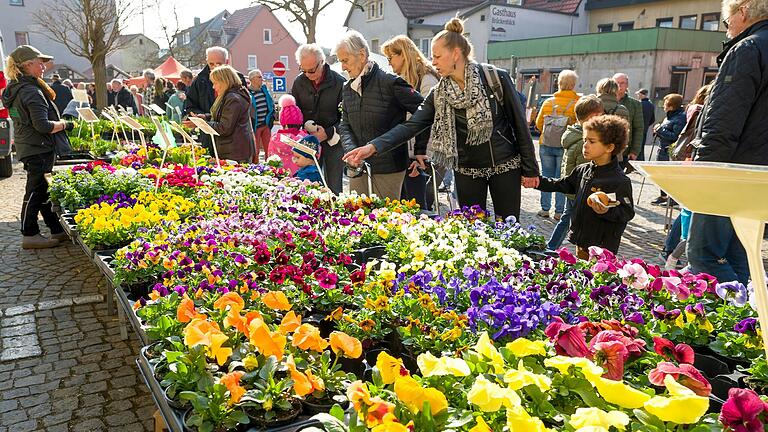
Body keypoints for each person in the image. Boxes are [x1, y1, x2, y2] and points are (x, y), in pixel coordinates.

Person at [344, 18, 539, 219]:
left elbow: (519, 125)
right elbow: (412, 125)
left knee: (508, 226)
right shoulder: (439, 93)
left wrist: (530, 169)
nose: (433, 61)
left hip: (504, 165)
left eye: (437, 56)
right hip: (466, 170)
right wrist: (373, 147)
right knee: (472, 232)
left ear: (456, 53)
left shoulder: (494, 78)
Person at [686, 0, 768, 286]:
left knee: (705, 257)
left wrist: (703, 171)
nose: (728, 28)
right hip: (759, 176)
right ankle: (747, 326)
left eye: (726, 21)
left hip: (731, 172)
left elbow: (724, 120)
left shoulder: (748, 48)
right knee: (738, 256)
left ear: (742, 12)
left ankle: (720, 327)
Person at [335, 31, 424, 200]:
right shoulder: (347, 88)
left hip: (388, 168)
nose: (342, 67)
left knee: (386, 221)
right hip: (357, 168)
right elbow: (345, 124)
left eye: (345, 60)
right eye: (340, 61)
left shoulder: (391, 82)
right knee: (358, 218)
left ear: (361, 55)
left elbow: (425, 113)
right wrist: (351, 151)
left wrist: (420, 150)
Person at [532, 115, 634, 259]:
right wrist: (537, 181)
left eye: (591, 141)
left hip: (603, 248)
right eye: (585, 140)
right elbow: (563, 185)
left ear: (609, 147)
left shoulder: (619, 181)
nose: (585, 145)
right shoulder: (582, 170)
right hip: (582, 241)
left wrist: (605, 211)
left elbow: (626, 212)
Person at [2, 45, 73, 249]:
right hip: (38, 147)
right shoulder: (31, 91)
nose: (44, 66)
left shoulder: (16, 87)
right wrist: (65, 124)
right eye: (39, 62)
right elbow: (42, 126)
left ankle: (56, 230)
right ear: (27, 65)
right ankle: (29, 233)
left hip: (30, 145)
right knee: (35, 191)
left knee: (43, 190)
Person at [381, 35, 438, 210]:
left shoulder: (427, 80)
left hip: (425, 156)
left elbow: (430, 121)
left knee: (422, 207)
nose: (389, 63)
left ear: (403, 55)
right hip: (412, 153)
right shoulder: (406, 79)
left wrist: (420, 156)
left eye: (391, 58)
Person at [547, 95, 604, 251]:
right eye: (600, 115)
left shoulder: (574, 133)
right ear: (592, 117)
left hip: (573, 189)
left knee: (566, 219)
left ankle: (551, 247)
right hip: (580, 190)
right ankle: (557, 248)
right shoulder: (584, 142)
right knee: (577, 223)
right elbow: (584, 168)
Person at [291, 43, 346, 194]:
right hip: (307, 141)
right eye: (304, 70)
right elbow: (295, 112)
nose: (308, 74)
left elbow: (347, 118)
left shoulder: (340, 82)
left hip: (333, 142)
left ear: (322, 62)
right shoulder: (299, 82)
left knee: (333, 187)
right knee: (308, 184)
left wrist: (327, 133)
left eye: (312, 70)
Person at [183, 65, 254, 163]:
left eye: (215, 83)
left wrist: (201, 123)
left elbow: (224, 127)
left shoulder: (233, 98)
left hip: (234, 152)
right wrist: (205, 117)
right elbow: (223, 115)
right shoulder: (231, 95)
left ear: (224, 81)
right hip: (233, 149)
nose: (213, 87)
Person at [535, 69, 579, 219]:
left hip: (546, 144)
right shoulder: (577, 103)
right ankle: (559, 212)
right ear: (573, 84)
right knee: (562, 178)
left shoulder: (549, 102)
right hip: (565, 146)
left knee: (546, 175)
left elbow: (539, 123)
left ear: (558, 83)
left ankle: (544, 209)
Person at [185, 47, 247, 120]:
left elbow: (243, 108)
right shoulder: (199, 80)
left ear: (226, 62)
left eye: (218, 64)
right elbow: (190, 105)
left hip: (231, 128)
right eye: (211, 64)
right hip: (208, 128)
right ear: (207, 62)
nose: (215, 67)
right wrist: (201, 116)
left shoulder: (238, 78)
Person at [612, 73, 645, 169]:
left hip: (624, 151)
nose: (619, 85)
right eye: (616, 83)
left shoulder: (635, 104)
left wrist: (635, 151)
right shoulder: (604, 101)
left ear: (627, 85)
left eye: (622, 83)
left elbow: (638, 128)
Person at [269, 94, 307, 173]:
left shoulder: (275, 138)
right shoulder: (304, 138)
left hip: (280, 176)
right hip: (301, 177)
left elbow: (270, 156)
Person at [247, 69, 275, 163]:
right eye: (259, 77)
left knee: (269, 148)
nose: (262, 79)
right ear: (252, 79)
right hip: (255, 125)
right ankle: (256, 168)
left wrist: (272, 116)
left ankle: (270, 166)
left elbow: (271, 103)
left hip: (266, 124)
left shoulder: (264, 89)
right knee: (256, 150)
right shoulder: (248, 92)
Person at [635, 88, 655, 161]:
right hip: (645, 129)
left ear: (641, 94)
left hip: (636, 128)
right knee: (642, 147)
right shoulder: (651, 105)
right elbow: (653, 119)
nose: (637, 96)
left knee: (635, 147)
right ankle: (641, 161)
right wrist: (646, 125)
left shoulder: (638, 104)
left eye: (638, 94)